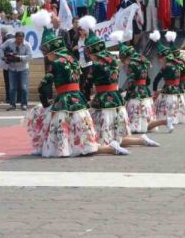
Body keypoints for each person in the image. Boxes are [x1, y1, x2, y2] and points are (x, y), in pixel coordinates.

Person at [26, 9, 129, 157]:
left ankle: (67, 149)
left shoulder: (55, 64)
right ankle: (109, 148)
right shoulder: (73, 60)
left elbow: (43, 85)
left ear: (50, 51)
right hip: (78, 100)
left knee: (62, 134)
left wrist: (45, 103)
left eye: (46, 54)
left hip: (64, 102)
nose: (47, 57)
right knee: (82, 135)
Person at [85, 29, 160, 147]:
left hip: (103, 99)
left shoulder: (96, 65)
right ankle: (141, 140)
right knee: (119, 132)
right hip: (117, 97)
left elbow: (88, 82)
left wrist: (86, 96)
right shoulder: (113, 61)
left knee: (102, 133)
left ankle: (111, 146)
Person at [115, 36, 156, 134]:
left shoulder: (132, 64)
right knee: (145, 107)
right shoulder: (142, 60)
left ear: (126, 58)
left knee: (135, 107)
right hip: (144, 89)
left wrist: (128, 93)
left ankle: (136, 127)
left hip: (136, 90)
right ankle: (147, 125)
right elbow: (148, 78)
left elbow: (131, 80)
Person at [151, 31, 185, 131]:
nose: (159, 61)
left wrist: (155, 90)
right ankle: (175, 118)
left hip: (168, 90)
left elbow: (156, 80)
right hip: (177, 89)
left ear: (163, 58)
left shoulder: (165, 68)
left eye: (160, 59)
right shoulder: (178, 64)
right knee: (177, 106)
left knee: (165, 107)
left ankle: (168, 120)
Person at [0, 31, 33, 111]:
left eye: (21, 39)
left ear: (23, 38)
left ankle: (24, 104)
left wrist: (19, 57)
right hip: (12, 68)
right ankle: (12, 105)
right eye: (18, 39)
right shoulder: (9, 42)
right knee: (12, 87)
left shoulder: (27, 45)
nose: (19, 41)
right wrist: (3, 57)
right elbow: (0, 48)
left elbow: (30, 56)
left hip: (23, 68)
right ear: (15, 38)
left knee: (24, 87)